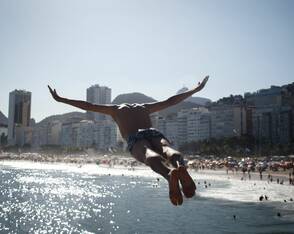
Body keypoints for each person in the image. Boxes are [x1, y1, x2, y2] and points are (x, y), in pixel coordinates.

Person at [48, 76, 209, 206]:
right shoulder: (144, 106)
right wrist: (196, 89)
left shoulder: (115, 109)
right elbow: (170, 101)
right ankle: (180, 166)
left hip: (134, 137)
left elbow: (88, 105)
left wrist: (62, 99)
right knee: (166, 148)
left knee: (148, 154)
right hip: (153, 132)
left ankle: (169, 175)